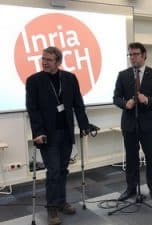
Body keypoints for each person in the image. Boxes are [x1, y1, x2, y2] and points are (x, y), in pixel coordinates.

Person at [26, 46, 89, 225]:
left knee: (62, 170)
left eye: (49, 60)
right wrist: (37, 132)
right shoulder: (34, 81)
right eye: (43, 59)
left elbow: (78, 103)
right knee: (53, 171)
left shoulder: (69, 78)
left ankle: (61, 202)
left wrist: (83, 125)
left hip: (66, 132)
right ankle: (51, 208)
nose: (45, 62)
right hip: (47, 134)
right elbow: (33, 109)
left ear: (58, 62)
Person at [113, 42, 152, 202]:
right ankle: (131, 188)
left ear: (144, 55)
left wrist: (147, 99)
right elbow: (116, 98)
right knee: (131, 157)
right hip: (129, 123)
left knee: (151, 157)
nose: (132, 57)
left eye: (135, 54)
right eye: (130, 54)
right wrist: (125, 104)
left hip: (149, 124)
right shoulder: (123, 75)